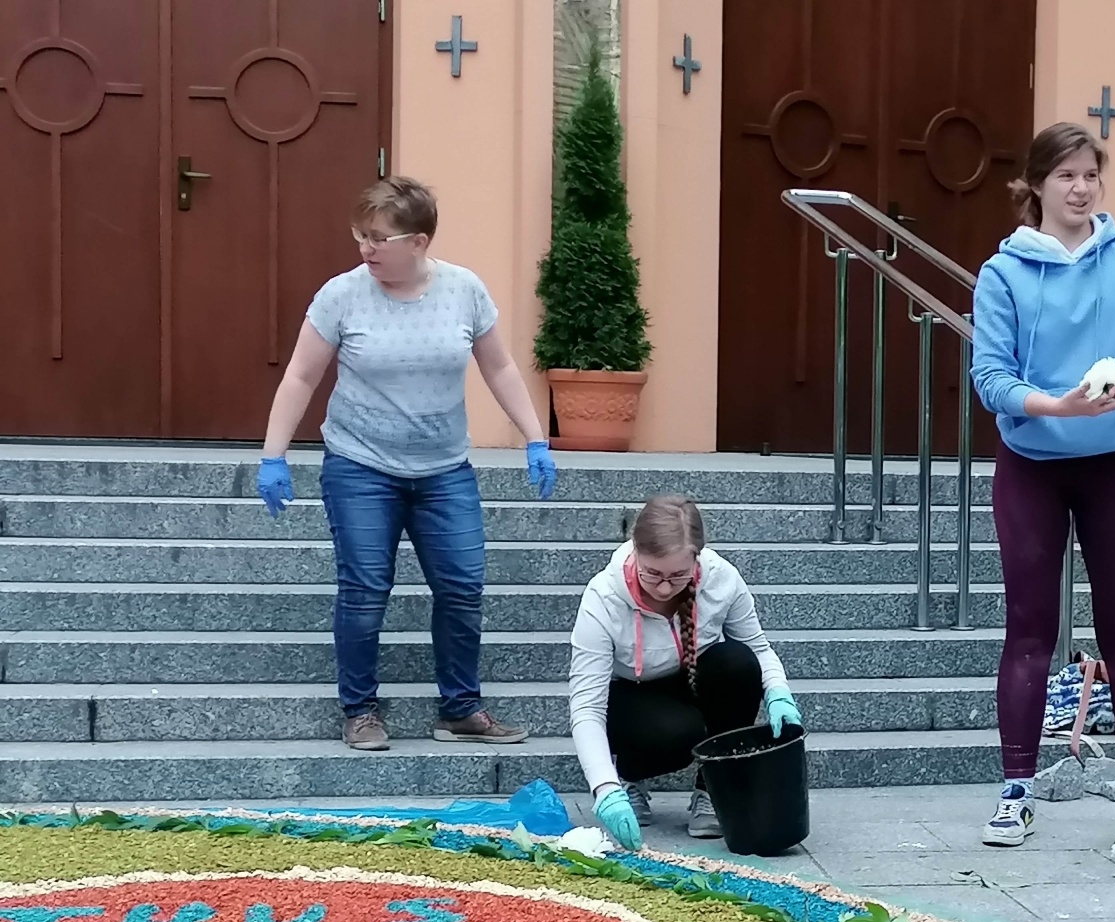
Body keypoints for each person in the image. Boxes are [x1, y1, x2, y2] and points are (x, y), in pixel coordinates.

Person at [254, 176, 559, 751]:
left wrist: (535, 438)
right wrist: (274, 455)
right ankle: (361, 710)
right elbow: (301, 375)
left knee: (463, 585)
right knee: (366, 589)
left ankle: (461, 709)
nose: (364, 249)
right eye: (360, 235)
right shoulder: (341, 295)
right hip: (360, 466)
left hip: (444, 469)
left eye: (377, 238)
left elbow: (498, 367)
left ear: (417, 242)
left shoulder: (463, 290)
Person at [969, 122, 1115, 847]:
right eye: (1065, 174)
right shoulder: (1002, 273)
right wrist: (1057, 405)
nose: (1079, 187)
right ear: (1035, 184)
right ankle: (1015, 791)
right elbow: (991, 380)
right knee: (1029, 633)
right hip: (1031, 467)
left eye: (1090, 174)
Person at [568, 495, 803, 850]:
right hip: (631, 701)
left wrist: (778, 692)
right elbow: (586, 706)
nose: (664, 587)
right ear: (635, 550)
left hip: (694, 680)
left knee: (737, 663)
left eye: (678, 575)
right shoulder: (603, 598)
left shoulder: (722, 579)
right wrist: (604, 788)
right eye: (653, 574)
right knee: (679, 732)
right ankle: (630, 778)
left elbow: (758, 647)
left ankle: (712, 789)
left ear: (697, 557)